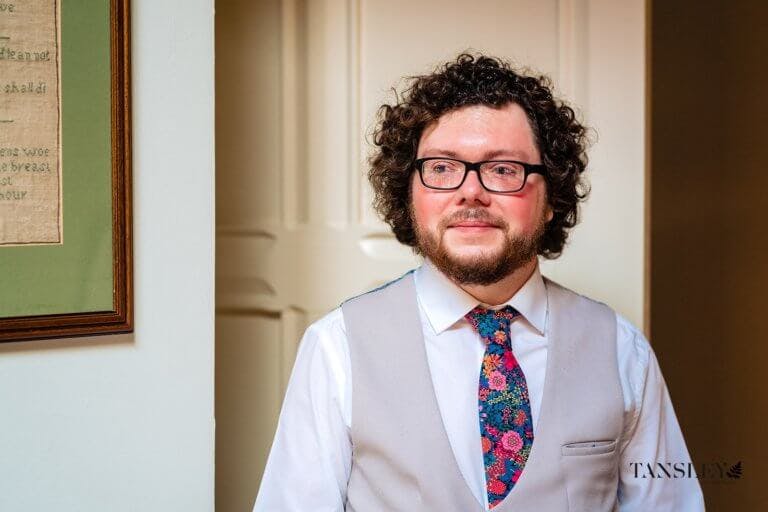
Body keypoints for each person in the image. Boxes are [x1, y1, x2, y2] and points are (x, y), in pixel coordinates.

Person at [253, 54, 705, 511]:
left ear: (551, 198)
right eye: (443, 168)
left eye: (504, 169)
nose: (471, 191)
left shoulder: (622, 351)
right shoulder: (337, 347)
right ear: (409, 193)